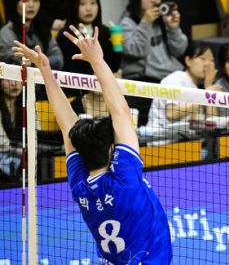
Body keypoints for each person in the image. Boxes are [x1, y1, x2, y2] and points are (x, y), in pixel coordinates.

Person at [12, 24, 172, 263]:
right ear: (111, 150)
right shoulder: (123, 179)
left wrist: (45, 71)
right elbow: (120, 112)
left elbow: (67, 126)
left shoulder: (82, 184)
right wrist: (97, 60)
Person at [120, 0, 188, 126]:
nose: (154, 0)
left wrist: (173, 27)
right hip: (146, 81)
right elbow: (137, 51)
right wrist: (146, 22)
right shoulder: (127, 23)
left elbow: (179, 50)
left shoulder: (163, 20)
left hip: (171, 78)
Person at [144, 41, 221, 143]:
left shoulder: (199, 90)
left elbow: (212, 123)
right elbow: (171, 113)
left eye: (212, 60)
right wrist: (205, 96)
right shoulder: (176, 78)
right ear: (188, 61)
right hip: (160, 142)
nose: (207, 64)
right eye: (202, 58)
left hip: (184, 144)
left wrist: (209, 88)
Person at [0, 0, 63, 70]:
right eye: (25, 0)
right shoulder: (7, 32)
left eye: (35, 0)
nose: (31, 5)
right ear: (15, 3)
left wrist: (36, 62)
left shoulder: (42, 29)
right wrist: (40, 62)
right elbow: (13, 62)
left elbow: (58, 58)